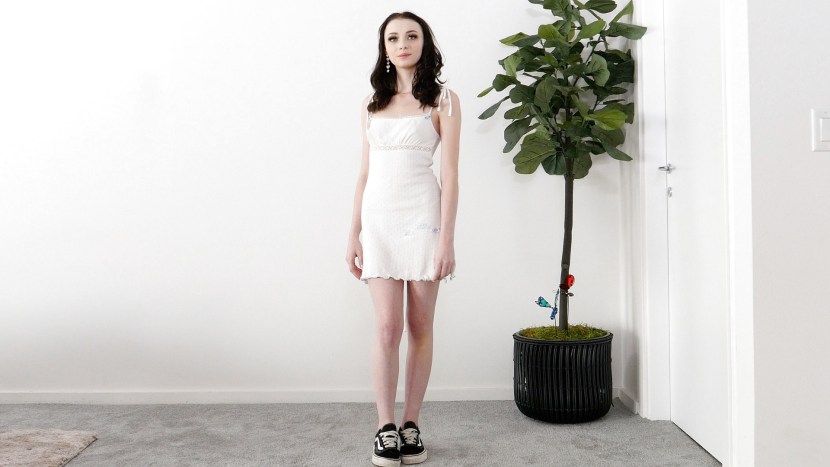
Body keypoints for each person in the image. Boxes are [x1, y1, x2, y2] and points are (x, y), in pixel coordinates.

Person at [345, 11, 461, 467]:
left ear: (424, 43)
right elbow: (363, 174)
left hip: (423, 219)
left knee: (420, 326)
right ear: (385, 48)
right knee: (387, 327)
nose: (402, 44)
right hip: (378, 222)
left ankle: (411, 423)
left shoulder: (444, 101)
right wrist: (353, 233)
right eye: (393, 38)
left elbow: (450, 176)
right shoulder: (371, 105)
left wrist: (447, 240)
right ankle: (385, 427)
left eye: (411, 36)